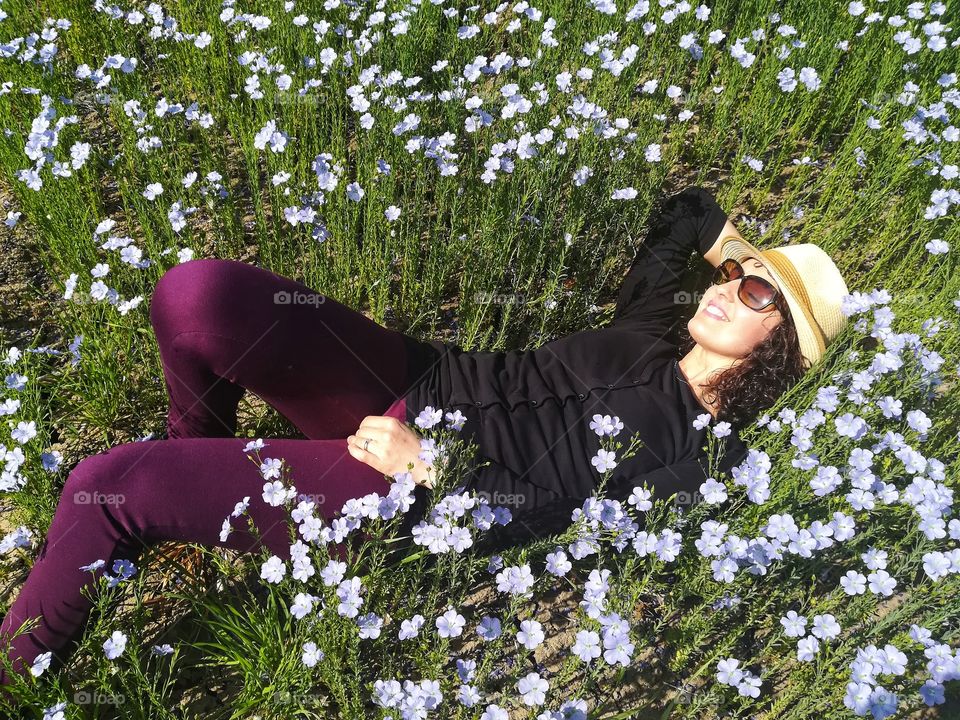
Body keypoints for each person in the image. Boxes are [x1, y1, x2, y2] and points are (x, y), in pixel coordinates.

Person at [0, 184, 850, 688]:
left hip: (417, 488)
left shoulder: (703, 461)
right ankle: (196, 491)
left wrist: (435, 469)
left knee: (109, 486)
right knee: (195, 296)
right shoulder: (657, 331)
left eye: (760, 298)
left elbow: (566, 519)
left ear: (783, 353)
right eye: (739, 275)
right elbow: (683, 221)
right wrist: (725, 240)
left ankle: (16, 673)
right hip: (415, 378)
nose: (731, 290)